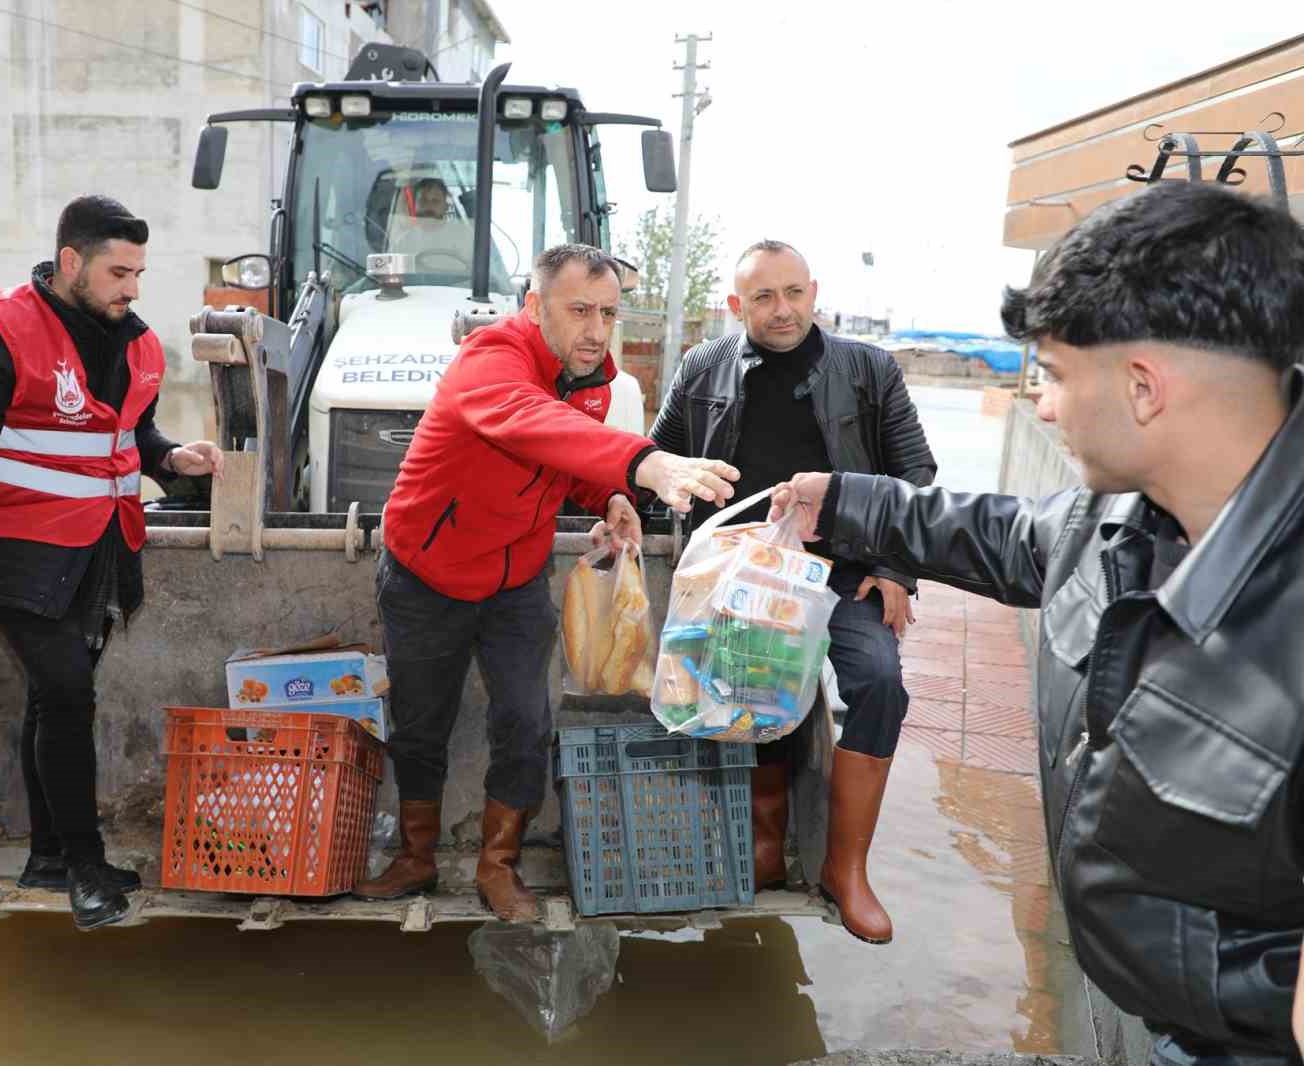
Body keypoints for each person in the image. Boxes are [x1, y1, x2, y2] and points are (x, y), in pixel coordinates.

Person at [768, 181, 1304, 1062]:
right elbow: (1006, 534)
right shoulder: (1122, 517)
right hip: (1169, 1020)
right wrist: (847, 501)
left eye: (1053, 376)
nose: (1043, 407)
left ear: (1143, 387)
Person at [354, 243, 740, 920]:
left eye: (610, 313)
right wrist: (645, 466)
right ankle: (415, 858)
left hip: (515, 578)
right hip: (427, 573)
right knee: (419, 722)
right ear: (534, 307)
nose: (597, 329)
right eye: (580, 310)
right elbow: (530, 422)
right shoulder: (490, 359)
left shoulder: (587, 380)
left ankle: (497, 866)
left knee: (526, 722)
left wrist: (610, 498)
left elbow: (559, 456)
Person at [0, 195, 223, 931]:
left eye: (140, 272)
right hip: (16, 553)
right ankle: (85, 866)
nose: (133, 288)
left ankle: (48, 857)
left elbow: (128, 435)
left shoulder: (134, 342)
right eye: (119, 271)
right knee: (68, 691)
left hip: (99, 552)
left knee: (55, 699)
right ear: (72, 262)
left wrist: (170, 456)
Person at [648, 240, 936, 944]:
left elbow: (916, 476)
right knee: (750, 683)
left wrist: (896, 571)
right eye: (763, 298)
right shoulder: (703, 366)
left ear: (814, 291)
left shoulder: (868, 369)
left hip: (843, 566)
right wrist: (644, 512)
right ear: (735, 306)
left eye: (793, 294)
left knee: (880, 682)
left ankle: (848, 867)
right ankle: (765, 836)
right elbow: (654, 460)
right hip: (743, 569)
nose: (783, 311)